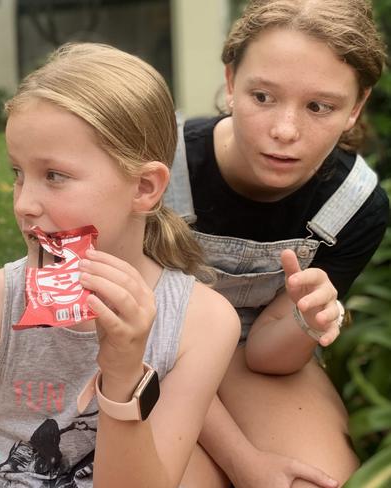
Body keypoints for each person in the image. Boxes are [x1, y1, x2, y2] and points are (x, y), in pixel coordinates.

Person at [0, 42, 241, 488]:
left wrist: (125, 370)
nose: (24, 204)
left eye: (54, 176)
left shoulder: (199, 325)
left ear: (145, 187)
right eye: (18, 173)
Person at [162, 1, 390, 486]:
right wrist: (242, 459)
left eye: (319, 106)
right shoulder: (159, 166)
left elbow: (268, 355)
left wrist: (303, 321)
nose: (285, 131)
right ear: (230, 81)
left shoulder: (355, 204)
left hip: (252, 356)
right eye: (263, 96)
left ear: (356, 107)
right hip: (144, 346)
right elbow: (134, 335)